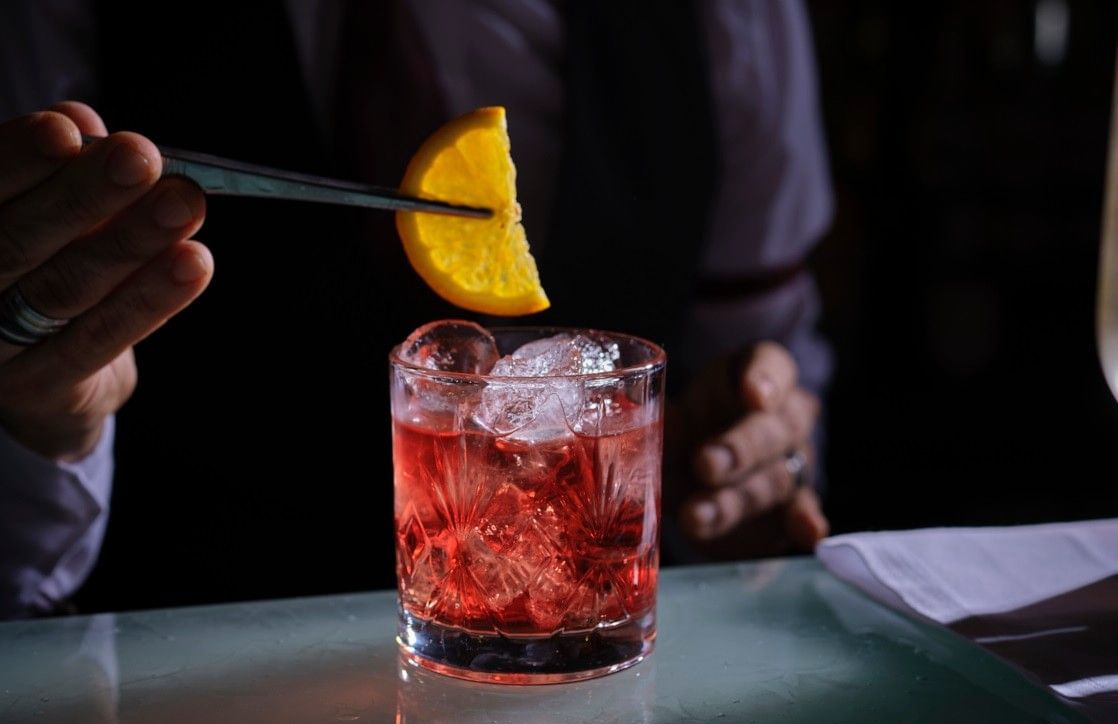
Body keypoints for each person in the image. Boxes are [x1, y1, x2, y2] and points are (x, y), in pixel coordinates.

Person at [0, 1, 833, 617]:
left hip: (601, 692)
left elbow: (766, 362)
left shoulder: (738, 18)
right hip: (186, 681)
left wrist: (752, 473)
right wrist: (39, 412)